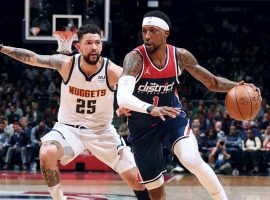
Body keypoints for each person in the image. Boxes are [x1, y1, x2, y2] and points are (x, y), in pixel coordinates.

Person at [117, 10, 260, 200]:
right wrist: (151, 108)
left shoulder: (180, 56)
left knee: (191, 159)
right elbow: (122, 98)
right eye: (144, 31)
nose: (147, 36)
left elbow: (213, 82)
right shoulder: (135, 58)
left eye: (153, 30)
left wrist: (239, 86)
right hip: (142, 129)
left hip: (171, 118)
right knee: (157, 193)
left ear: (166, 33)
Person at [0, 24, 150, 200]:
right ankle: (58, 198)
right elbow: (33, 58)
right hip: (69, 129)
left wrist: (127, 103)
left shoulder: (112, 70)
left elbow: (139, 90)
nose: (94, 47)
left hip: (102, 131)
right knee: (46, 152)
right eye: (88, 43)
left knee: (137, 180)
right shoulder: (66, 64)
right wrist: (2, 48)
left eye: (97, 43)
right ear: (78, 46)